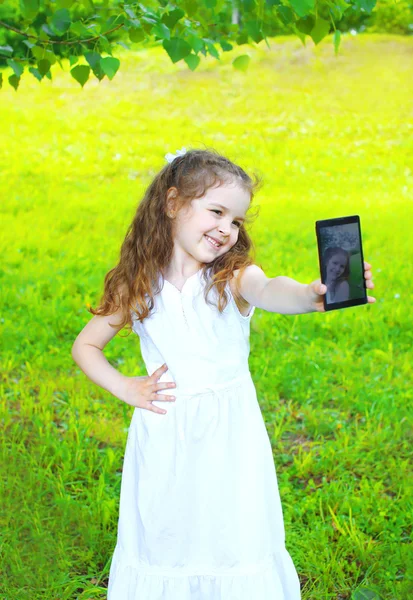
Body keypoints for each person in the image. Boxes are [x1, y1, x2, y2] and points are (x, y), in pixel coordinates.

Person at [71, 148, 375, 599]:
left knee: (232, 532)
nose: (226, 229)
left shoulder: (231, 276)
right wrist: (125, 387)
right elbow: (86, 345)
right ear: (172, 204)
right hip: (166, 431)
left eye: (236, 221)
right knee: (168, 533)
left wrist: (310, 296)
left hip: (230, 435)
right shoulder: (137, 283)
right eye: (216, 211)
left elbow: (271, 290)